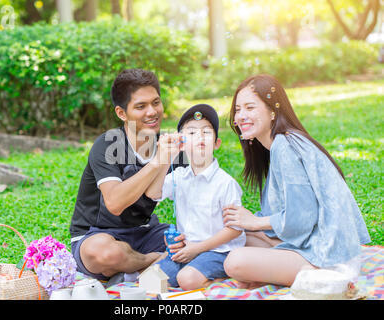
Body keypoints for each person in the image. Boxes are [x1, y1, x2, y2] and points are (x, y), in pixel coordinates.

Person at [222, 74, 371, 288]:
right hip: (309, 243)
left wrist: (254, 222)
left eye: (250, 107)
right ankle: (276, 272)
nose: (241, 116)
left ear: (273, 111)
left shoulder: (285, 146)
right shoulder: (278, 146)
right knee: (236, 235)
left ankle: (318, 277)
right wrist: (246, 223)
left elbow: (301, 219)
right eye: (237, 109)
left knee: (235, 262)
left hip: (328, 255)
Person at [69, 69, 185, 284]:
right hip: (96, 236)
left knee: (197, 239)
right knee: (107, 254)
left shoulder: (169, 144)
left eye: (156, 102)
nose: (152, 112)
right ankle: (153, 262)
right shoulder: (107, 144)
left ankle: (132, 272)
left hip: (146, 233)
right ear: (122, 113)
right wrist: (157, 161)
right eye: (141, 106)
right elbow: (115, 203)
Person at [145, 104, 246, 290]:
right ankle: (195, 272)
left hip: (218, 251)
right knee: (150, 281)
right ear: (182, 145)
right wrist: (166, 157)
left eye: (206, 132)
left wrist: (198, 249)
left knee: (187, 279)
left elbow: (235, 228)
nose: (199, 136)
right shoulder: (179, 176)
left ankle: (224, 281)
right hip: (187, 249)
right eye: (191, 133)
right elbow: (153, 193)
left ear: (217, 143)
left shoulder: (225, 183)